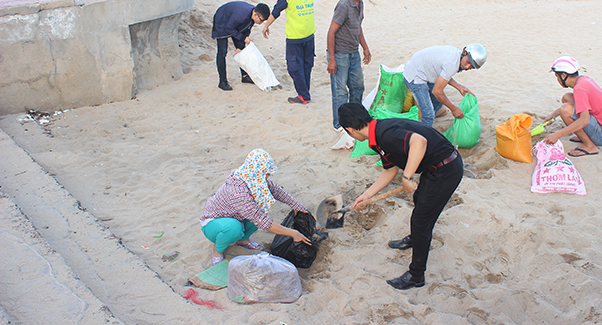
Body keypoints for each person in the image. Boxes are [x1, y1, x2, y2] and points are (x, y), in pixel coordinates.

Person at [338, 103, 464, 290]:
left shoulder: (385, 134)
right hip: (434, 168)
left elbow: (419, 142)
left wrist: (407, 177)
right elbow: (389, 171)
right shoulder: (378, 133)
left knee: (421, 221)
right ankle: (415, 239)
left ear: (349, 130)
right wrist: (366, 196)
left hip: (446, 169)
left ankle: (416, 275)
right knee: (420, 201)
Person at [200, 149, 311, 266]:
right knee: (233, 228)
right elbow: (263, 222)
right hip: (214, 223)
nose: (268, 176)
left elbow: (275, 190)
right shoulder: (238, 191)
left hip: (235, 215)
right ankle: (217, 250)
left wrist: (297, 206)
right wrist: (293, 233)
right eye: (267, 173)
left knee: (260, 209)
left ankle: (242, 239)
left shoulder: (252, 177)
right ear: (258, 172)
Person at [542, 56, 602, 157]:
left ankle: (589, 145)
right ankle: (586, 136)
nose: (557, 80)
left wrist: (557, 135)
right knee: (567, 97)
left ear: (563, 75)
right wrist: (554, 114)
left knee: (566, 110)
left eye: (557, 76)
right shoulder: (583, 80)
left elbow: (584, 120)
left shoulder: (579, 89)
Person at [327, 0, 373, 131]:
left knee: (358, 87)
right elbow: (331, 32)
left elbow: (357, 27)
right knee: (340, 92)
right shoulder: (344, 5)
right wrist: (331, 59)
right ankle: (339, 124)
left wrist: (365, 48)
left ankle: (355, 119)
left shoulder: (360, 3)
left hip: (353, 52)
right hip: (339, 54)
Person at [262, 0, 315, 104]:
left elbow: (276, 12)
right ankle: (305, 92)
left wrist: (266, 25)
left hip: (295, 37)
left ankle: (304, 96)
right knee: (306, 65)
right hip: (309, 34)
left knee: (294, 67)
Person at [402, 44, 487, 127]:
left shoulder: (457, 57)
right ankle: (421, 136)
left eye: (471, 67)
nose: (467, 66)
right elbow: (437, 91)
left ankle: (427, 120)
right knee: (429, 115)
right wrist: (453, 109)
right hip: (414, 76)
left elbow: (445, 74)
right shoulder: (452, 63)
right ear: (465, 52)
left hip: (425, 71)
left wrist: (459, 87)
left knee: (438, 103)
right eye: (468, 62)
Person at [212, 1, 270, 91]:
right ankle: (222, 81)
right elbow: (228, 28)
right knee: (222, 52)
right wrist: (243, 38)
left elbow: (246, 30)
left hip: (233, 24)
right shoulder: (241, 15)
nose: (261, 22)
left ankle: (245, 76)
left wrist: (239, 47)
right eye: (261, 20)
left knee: (242, 50)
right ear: (255, 14)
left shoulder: (252, 16)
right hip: (222, 20)